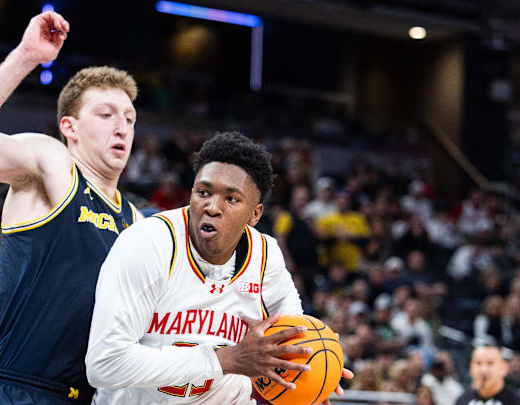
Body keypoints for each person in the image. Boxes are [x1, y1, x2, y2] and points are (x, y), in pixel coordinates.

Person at [0, 11, 140, 404]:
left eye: (129, 118)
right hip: (16, 390)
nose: (122, 127)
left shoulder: (135, 221)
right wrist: (26, 56)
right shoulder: (53, 163)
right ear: (69, 127)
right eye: (106, 114)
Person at [86, 132, 352, 404]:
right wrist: (226, 359)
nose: (212, 207)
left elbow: (292, 337)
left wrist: (315, 368)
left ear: (255, 215)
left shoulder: (265, 256)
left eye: (231, 199)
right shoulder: (148, 243)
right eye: (203, 192)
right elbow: (104, 364)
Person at [454, 345, 520, 405]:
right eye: (478, 363)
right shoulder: (462, 400)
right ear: (471, 368)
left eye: (490, 363)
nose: (483, 369)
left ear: (504, 368)